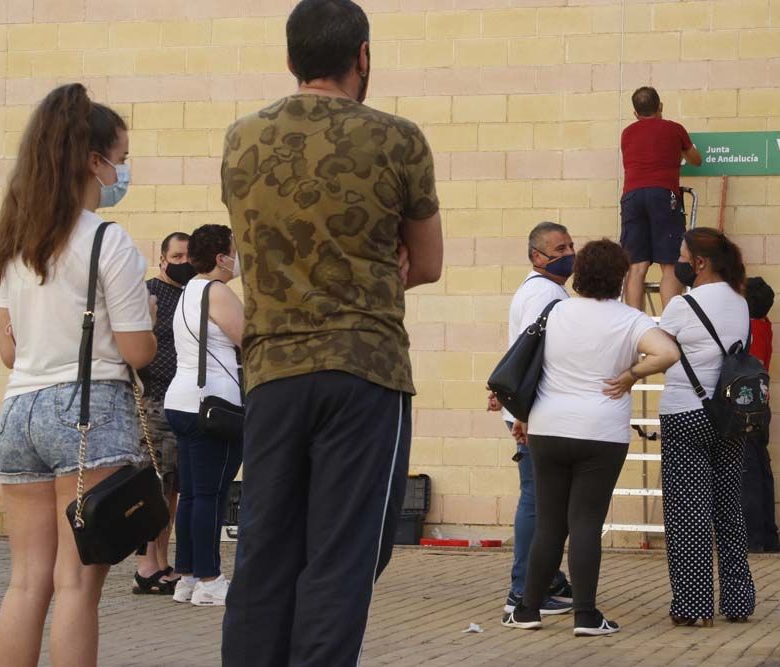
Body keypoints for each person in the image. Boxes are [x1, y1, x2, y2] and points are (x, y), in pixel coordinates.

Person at [220, 1, 443, 664]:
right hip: (364, 368)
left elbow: (260, 246)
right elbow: (426, 262)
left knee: (264, 554)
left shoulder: (242, 137)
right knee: (342, 557)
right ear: (362, 56)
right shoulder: (399, 139)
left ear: (291, 61)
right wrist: (373, 270)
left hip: (270, 374)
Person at [0, 84, 157, 666]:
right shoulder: (107, 240)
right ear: (94, 161)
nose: (124, 169)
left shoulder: (17, 241)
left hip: (19, 411)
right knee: (77, 585)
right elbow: (138, 352)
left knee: (26, 581)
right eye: (122, 156)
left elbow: (9, 350)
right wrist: (149, 319)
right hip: (88, 412)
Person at [501, 240, 679, 636]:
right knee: (585, 522)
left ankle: (527, 610)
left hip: (548, 426)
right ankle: (585, 616)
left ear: (579, 274)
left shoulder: (555, 310)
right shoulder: (631, 320)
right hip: (601, 432)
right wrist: (631, 375)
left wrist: (523, 416)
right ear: (620, 278)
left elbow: (532, 364)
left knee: (549, 523)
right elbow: (667, 352)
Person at [657, 227, 756, 627]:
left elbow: (658, 350)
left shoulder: (683, 305)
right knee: (729, 509)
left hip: (686, 413)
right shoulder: (741, 301)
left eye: (682, 256)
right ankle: (738, 601)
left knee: (688, 513)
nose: (679, 263)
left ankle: (694, 605)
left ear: (698, 263)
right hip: (730, 415)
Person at [487, 221, 575, 616]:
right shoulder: (543, 292)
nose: (568, 253)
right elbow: (532, 354)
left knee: (546, 502)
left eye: (570, 244)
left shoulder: (544, 289)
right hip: (533, 413)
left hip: (531, 410)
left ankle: (548, 579)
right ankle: (522, 591)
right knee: (538, 503)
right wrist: (525, 414)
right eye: (559, 248)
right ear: (537, 256)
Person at [164, 224, 245, 607]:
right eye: (235, 250)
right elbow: (251, 339)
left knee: (193, 495)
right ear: (220, 257)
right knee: (210, 496)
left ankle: (187, 576)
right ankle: (210, 581)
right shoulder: (217, 291)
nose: (238, 258)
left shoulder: (187, 290)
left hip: (181, 401)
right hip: (213, 406)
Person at [132, 231, 193, 595]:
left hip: (181, 403)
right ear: (163, 259)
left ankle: (161, 561)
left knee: (171, 491)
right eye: (177, 256)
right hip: (152, 401)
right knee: (154, 486)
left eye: (189, 256)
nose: (183, 262)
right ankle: (145, 566)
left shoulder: (192, 295)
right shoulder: (148, 293)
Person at [620, 86, 702, 311]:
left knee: (636, 265)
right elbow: (696, 159)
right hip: (663, 194)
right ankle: (669, 325)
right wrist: (682, 150)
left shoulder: (627, 133)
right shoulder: (674, 129)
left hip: (632, 196)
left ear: (635, 113)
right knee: (670, 264)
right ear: (661, 106)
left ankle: (634, 324)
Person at [742, 276, 780, 553]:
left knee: (749, 477)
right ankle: (768, 537)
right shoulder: (764, 325)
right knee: (761, 472)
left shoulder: (749, 329)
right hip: (760, 405)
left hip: (745, 407)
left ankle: (753, 540)